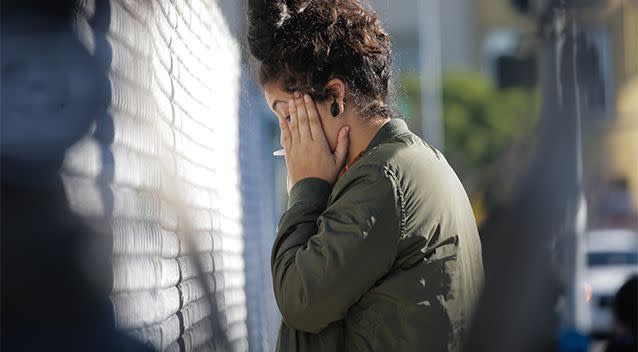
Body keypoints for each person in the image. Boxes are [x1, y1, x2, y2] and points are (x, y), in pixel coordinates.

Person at [247, 0, 484, 350]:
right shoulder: (411, 161)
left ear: (334, 97)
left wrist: (305, 188)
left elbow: (301, 299)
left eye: (287, 115)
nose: (285, 135)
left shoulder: (382, 178)